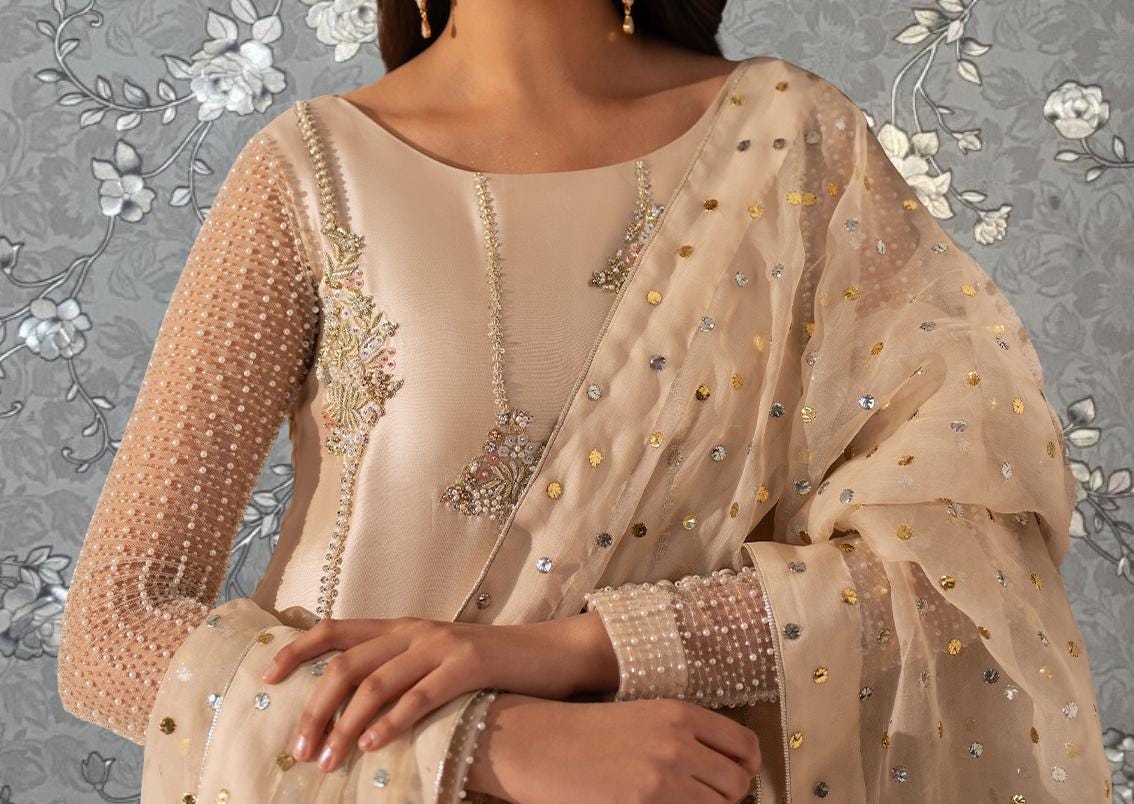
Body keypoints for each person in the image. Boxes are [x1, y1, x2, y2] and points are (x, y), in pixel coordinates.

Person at [56, 1, 1112, 802]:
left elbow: (953, 573)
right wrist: (489, 740)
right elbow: (112, 635)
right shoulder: (311, 172)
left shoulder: (797, 147)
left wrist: (579, 650)